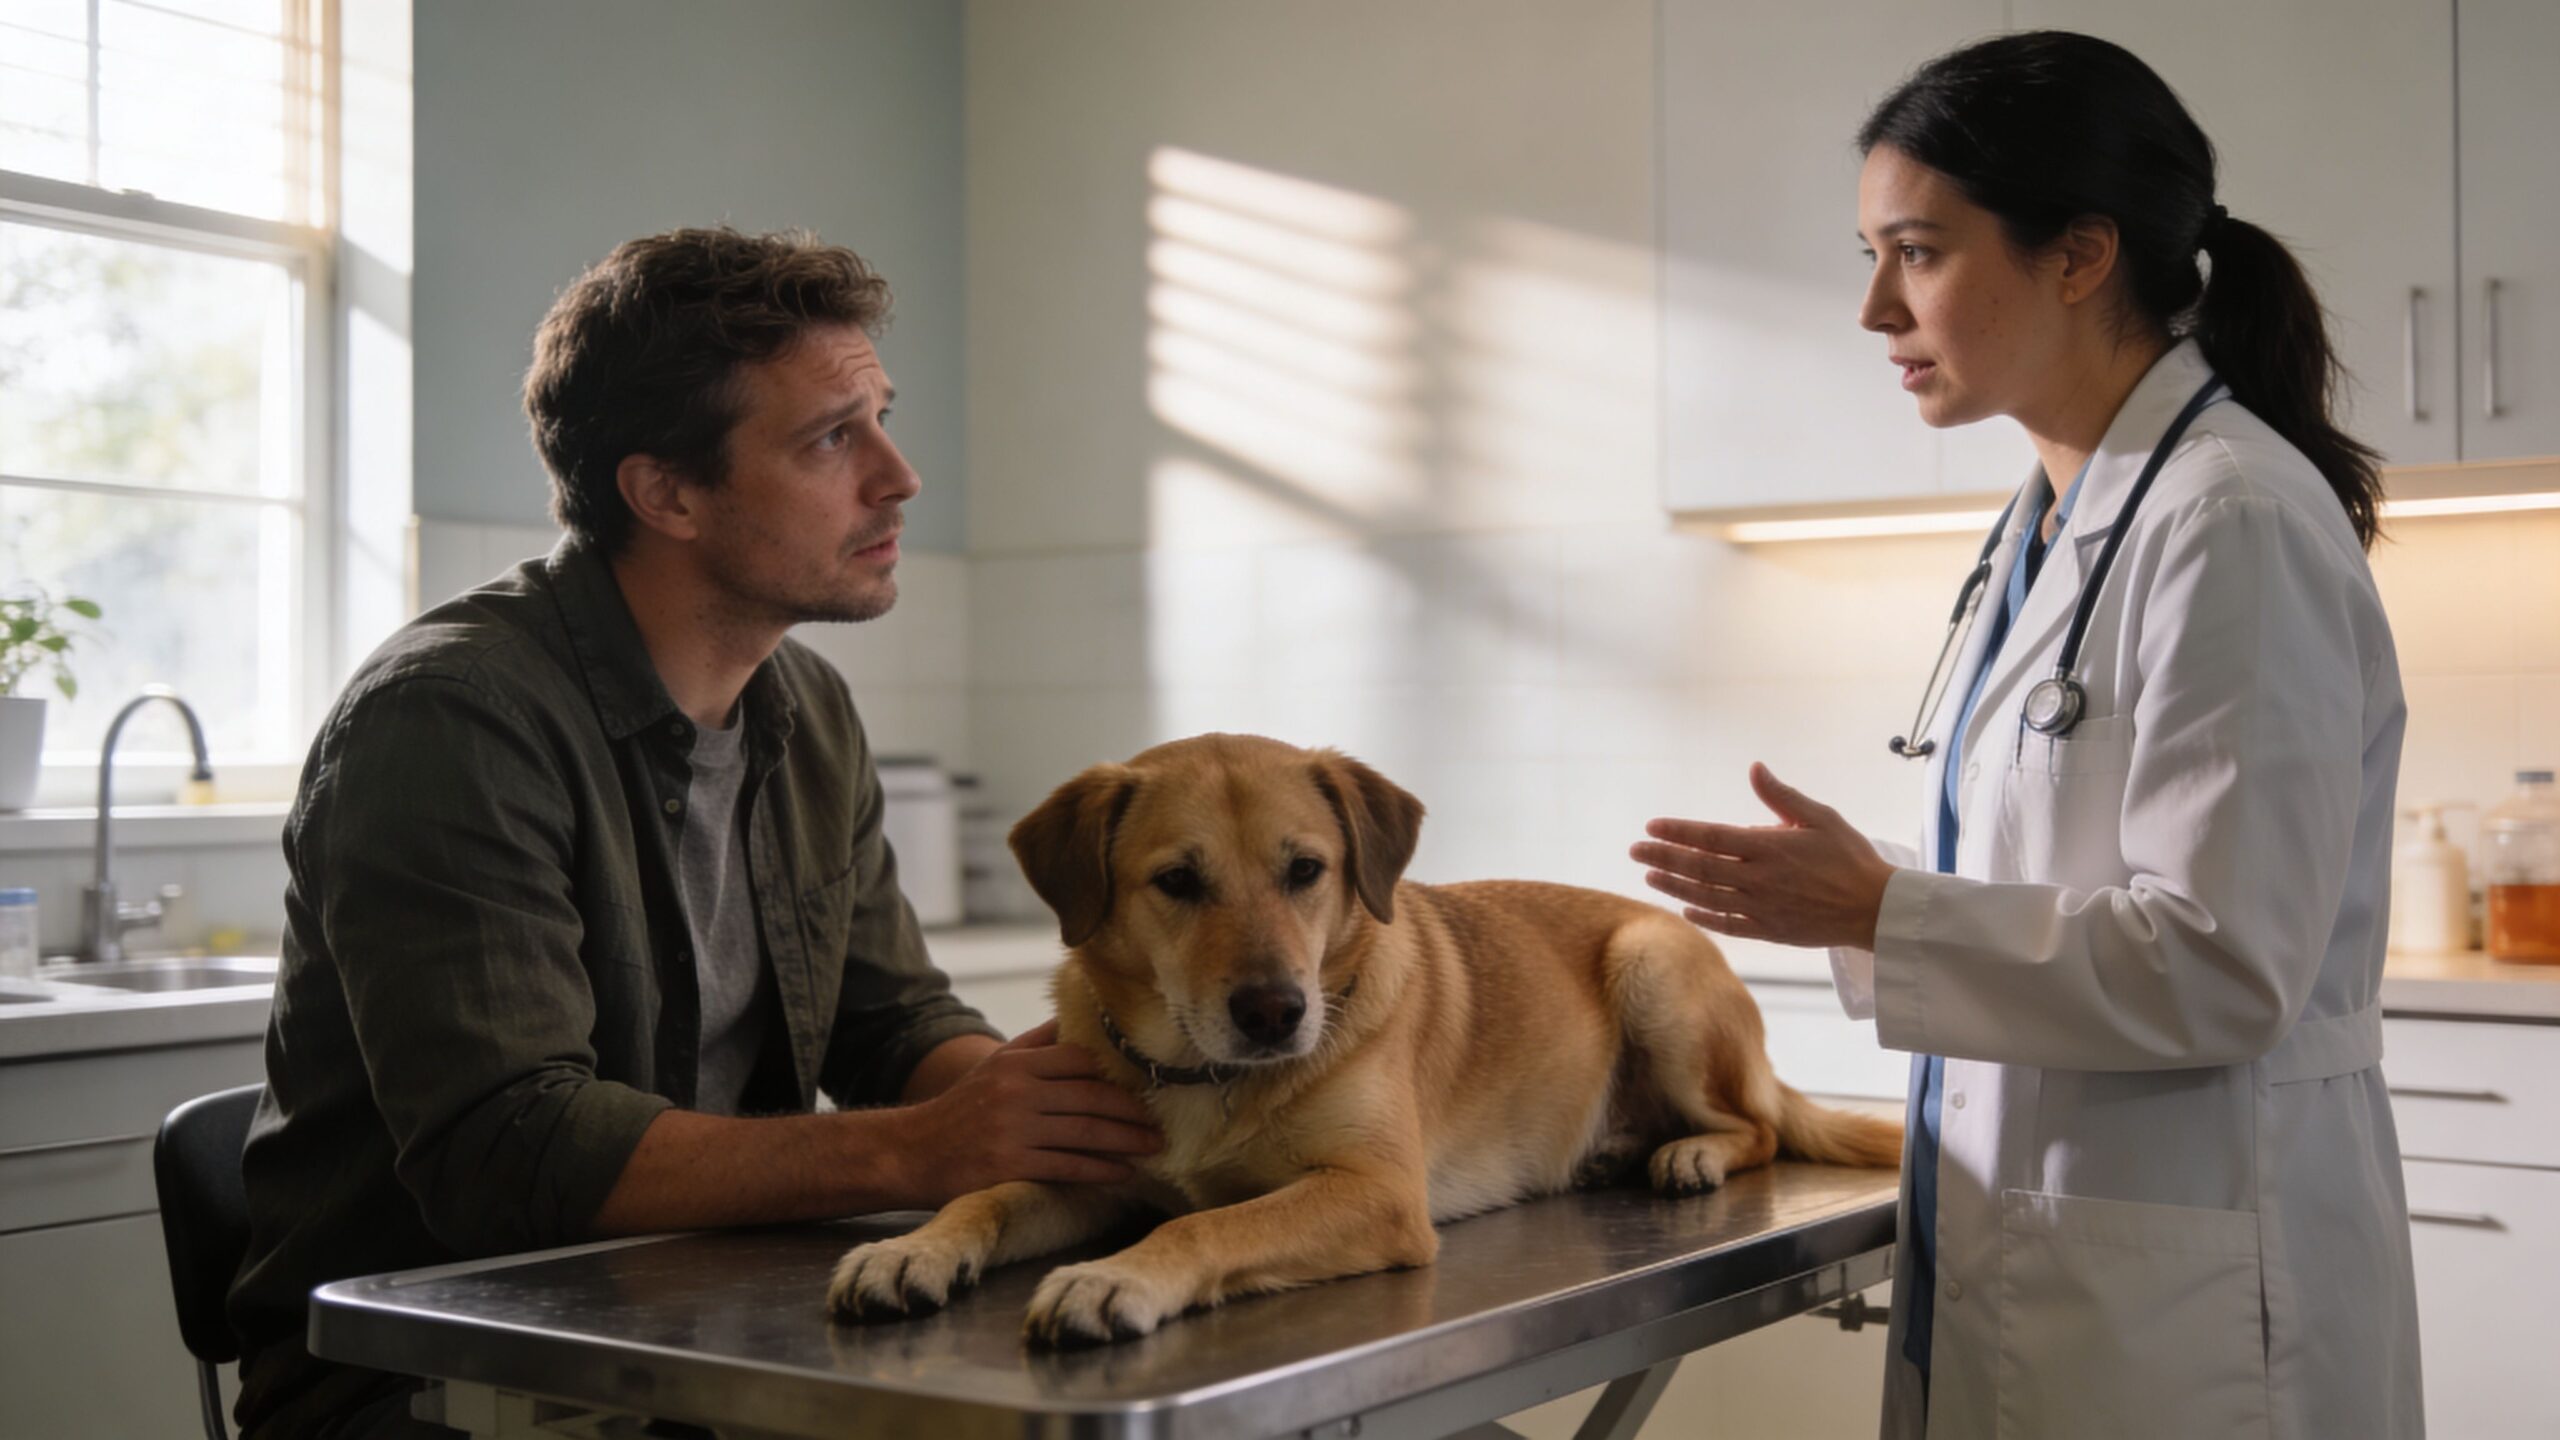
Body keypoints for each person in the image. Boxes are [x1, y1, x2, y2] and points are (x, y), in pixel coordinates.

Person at [227, 228, 1161, 1439]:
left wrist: (1096, 1124)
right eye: (833, 437)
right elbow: (510, 1151)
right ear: (664, 492)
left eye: (879, 416)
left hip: (698, 1337)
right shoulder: (451, 720)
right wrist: (917, 1152)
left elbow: (893, 1024)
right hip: (429, 1391)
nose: (898, 476)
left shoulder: (806, 706)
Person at [1629, 31, 2420, 1440]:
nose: (1875, 306)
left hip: (2191, 1299)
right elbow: (2070, 870)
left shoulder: (2227, 519)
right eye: (1870, 254)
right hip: (2054, 1251)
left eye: (1918, 252)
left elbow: (2227, 964)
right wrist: (1863, 897)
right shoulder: (2049, 520)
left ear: (2078, 255)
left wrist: (1887, 909)